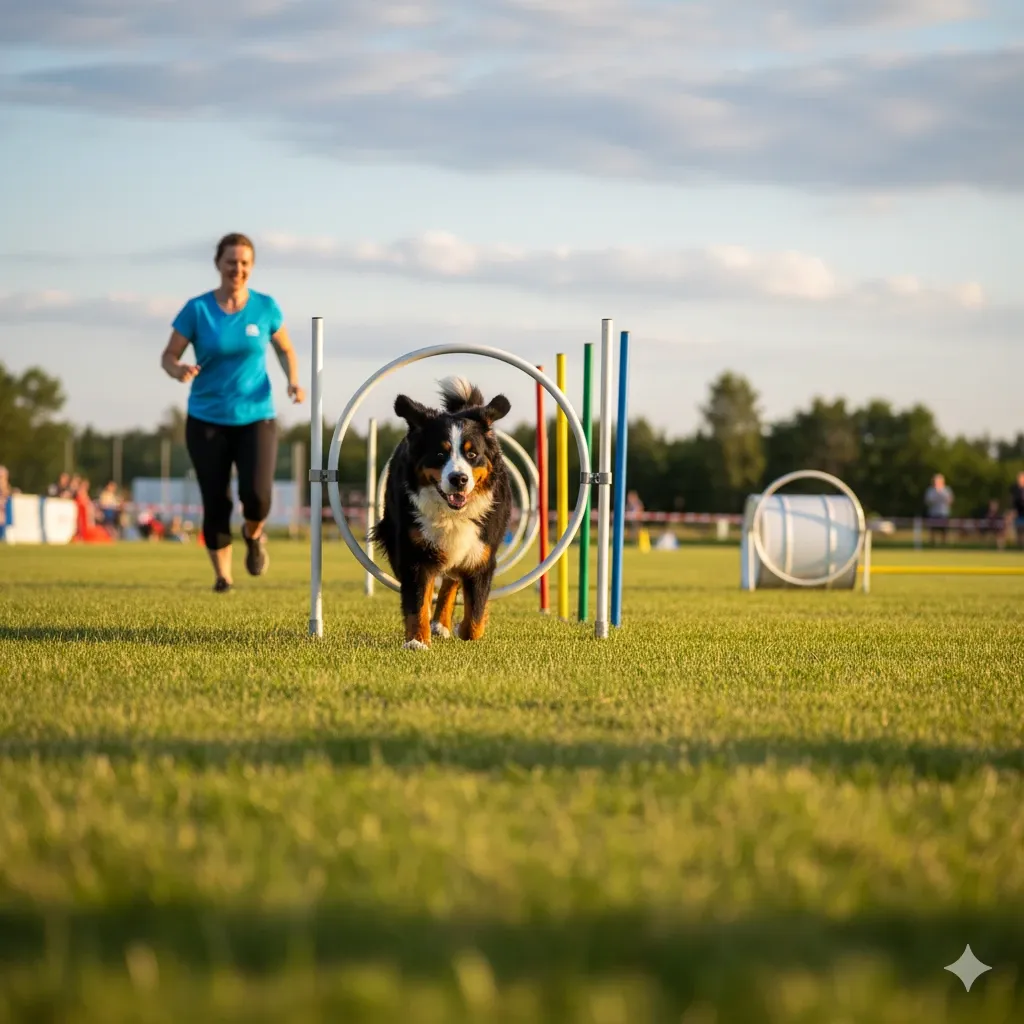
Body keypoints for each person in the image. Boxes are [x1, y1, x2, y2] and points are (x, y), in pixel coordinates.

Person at [160, 232, 305, 592]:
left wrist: (292, 381)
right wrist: (178, 370)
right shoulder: (197, 309)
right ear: (218, 264)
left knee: (258, 496)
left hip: (257, 416)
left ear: (251, 266)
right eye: (231, 262)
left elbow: (285, 350)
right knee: (216, 499)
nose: (237, 269)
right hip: (206, 418)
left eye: (244, 263)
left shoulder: (266, 307)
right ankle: (223, 576)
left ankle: (253, 535)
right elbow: (168, 356)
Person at [923, 472, 954, 546]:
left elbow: (950, 500)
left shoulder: (946, 490)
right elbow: (928, 501)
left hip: (944, 513)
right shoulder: (930, 490)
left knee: (944, 529)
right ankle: (932, 543)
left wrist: (941, 494)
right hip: (933, 513)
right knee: (932, 529)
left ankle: (944, 543)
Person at [1011, 470, 1024, 550]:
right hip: (1019, 514)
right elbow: (1014, 502)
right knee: (1019, 531)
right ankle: (1019, 547)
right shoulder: (1015, 490)